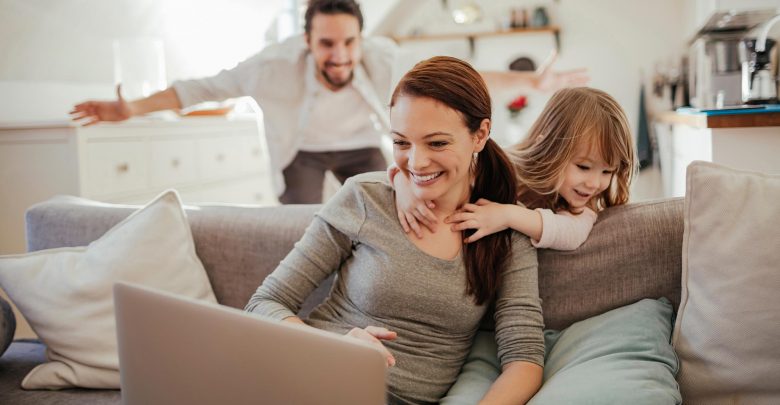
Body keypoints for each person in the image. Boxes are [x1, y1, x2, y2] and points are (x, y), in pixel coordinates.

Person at [69, 0, 589, 204]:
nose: (338, 56)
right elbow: (201, 89)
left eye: (348, 43)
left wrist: (535, 85)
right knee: (298, 217)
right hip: (303, 149)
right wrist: (131, 109)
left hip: (360, 143)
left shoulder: (383, 59)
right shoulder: (272, 66)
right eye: (326, 44)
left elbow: (458, 76)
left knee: (388, 205)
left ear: (361, 40)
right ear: (307, 41)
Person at [244, 56, 545, 404]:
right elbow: (264, 303)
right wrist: (334, 345)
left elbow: (524, 359)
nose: (416, 163)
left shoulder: (507, 227)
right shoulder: (365, 198)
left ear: (480, 135)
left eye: (437, 143)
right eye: (402, 143)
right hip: (312, 374)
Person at [391, 87, 637, 251]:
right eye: (583, 167)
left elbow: (572, 234)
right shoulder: (503, 166)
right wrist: (404, 187)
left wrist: (507, 215)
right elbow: (412, 166)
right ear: (547, 145)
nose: (595, 183)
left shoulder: (581, 207)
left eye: (608, 172)